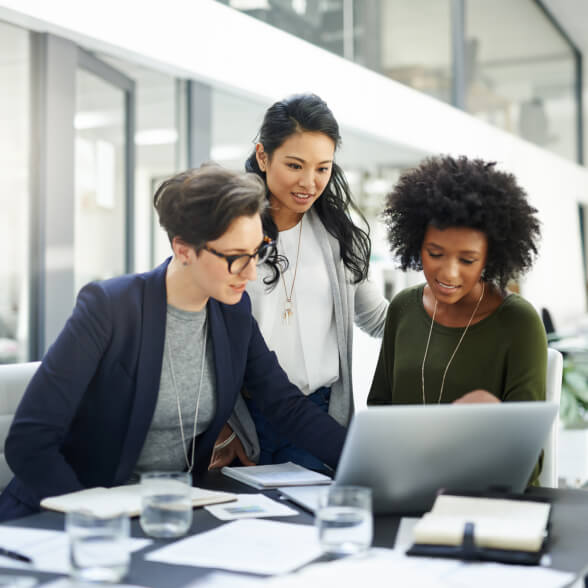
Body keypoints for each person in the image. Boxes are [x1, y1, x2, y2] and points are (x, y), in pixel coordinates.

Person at [0, 165, 347, 522]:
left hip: (173, 513)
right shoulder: (110, 308)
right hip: (75, 516)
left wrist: (358, 462)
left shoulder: (233, 312)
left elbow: (285, 405)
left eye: (257, 251)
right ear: (183, 249)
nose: (251, 272)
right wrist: (95, 519)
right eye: (235, 257)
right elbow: (29, 441)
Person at [210, 94, 388, 472]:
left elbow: (378, 318)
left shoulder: (340, 236)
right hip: (244, 422)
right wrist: (222, 425)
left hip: (319, 417)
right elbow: (201, 333)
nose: (309, 182)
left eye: (323, 168)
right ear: (262, 156)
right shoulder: (227, 232)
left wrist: (453, 307)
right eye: (295, 165)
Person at [367, 155, 546, 481]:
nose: (448, 273)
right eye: (435, 254)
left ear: (490, 258)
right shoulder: (403, 308)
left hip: (482, 497)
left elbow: (528, 460)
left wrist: (492, 422)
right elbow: (379, 415)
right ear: (415, 243)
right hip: (405, 487)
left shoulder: (519, 323)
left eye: (467, 259)